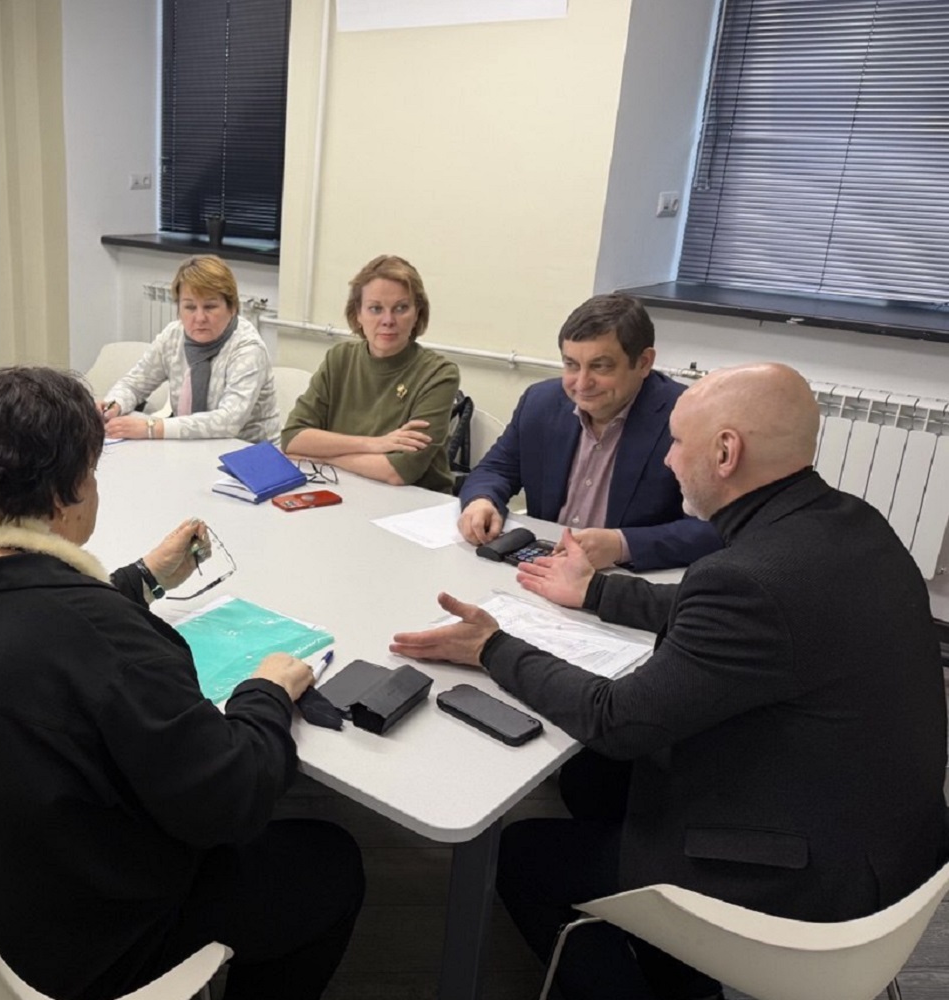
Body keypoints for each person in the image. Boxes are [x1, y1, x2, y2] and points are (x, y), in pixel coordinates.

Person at [390, 363, 946, 1000]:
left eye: (679, 443)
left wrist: (491, 647)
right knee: (591, 779)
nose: (669, 460)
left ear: (726, 452)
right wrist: (598, 592)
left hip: (807, 893)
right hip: (894, 844)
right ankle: (668, 967)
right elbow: (726, 608)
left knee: (525, 853)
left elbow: (615, 720)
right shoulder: (848, 524)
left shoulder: (748, 581)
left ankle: (663, 971)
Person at [0, 366, 363, 1000]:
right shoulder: (102, 636)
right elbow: (232, 798)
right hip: (63, 954)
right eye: (92, 472)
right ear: (67, 491)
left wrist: (141, 579)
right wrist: (266, 692)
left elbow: (26, 624)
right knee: (330, 864)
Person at [457, 293, 719, 571]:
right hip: (542, 565)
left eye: (600, 366)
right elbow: (496, 469)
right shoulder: (540, 403)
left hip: (629, 578)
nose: (581, 384)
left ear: (644, 362)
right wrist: (481, 500)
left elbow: (714, 528)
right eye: (571, 364)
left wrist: (622, 545)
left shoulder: (688, 417)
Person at [281, 254, 461, 490]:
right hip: (345, 489)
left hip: (414, 502)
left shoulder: (439, 374)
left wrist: (323, 456)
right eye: (375, 308)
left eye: (401, 308)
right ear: (358, 314)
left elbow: (398, 471)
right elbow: (293, 439)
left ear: (417, 313)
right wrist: (374, 444)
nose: (388, 320)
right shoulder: (339, 359)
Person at [101, 254, 280, 443]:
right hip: (192, 447)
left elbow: (228, 421)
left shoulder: (248, 348)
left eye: (210, 307)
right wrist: (114, 405)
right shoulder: (173, 336)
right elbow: (133, 385)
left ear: (232, 307)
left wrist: (152, 428)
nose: (200, 318)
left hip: (249, 452)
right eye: (190, 307)